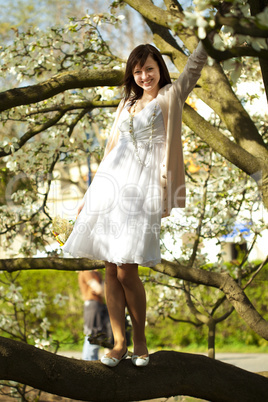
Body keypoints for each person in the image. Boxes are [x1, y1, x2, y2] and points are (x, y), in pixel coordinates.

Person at [63, 39, 208, 367]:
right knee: (110, 269)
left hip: (142, 191)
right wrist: (88, 196)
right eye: (138, 70)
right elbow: (109, 152)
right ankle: (119, 343)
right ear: (132, 73)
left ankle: (140, 339)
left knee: (128, 270)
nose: (144, 75)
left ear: (160, 70)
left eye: (150, 69)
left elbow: (194, 69)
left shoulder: (170, 97)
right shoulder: (126, 103)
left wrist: (209, 33)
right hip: (109, 187)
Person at [78, 270, 109, 361]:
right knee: (92, 332)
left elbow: (102, 289)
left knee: (98, 333)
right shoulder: (86, 271)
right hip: (92, 304)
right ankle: (88, 360)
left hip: (99, 304)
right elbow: (99, 289)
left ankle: (93, 359)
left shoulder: (97, 272)